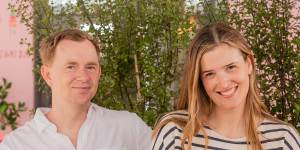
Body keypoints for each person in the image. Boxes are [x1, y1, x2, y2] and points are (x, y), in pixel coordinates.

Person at [151, 23, 300, 150]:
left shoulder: (282, 140)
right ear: (199, 80)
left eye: (230, 67)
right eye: (210, 74)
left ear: (249, 64)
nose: (224, 83)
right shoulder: (175, 134)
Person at [0, 29, 151, 150]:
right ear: (48, 75)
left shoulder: (130, 128)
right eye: (71, 67)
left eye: (90, 67)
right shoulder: (16, 145)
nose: (84, 77)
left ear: (99, 72)